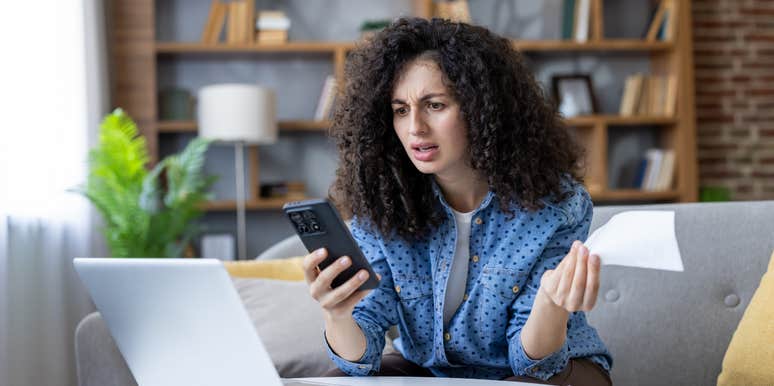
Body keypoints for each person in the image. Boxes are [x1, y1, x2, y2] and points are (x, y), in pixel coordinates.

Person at [301, 17, 613, 385]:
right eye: (401, 109)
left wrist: (550, 303)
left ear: (482, 108)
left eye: (434, 105)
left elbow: (534, 366)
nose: (415, 127)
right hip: (431, 370)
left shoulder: (555, 205)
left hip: (553, 370)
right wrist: (338, 314)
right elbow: (361, 359)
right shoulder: (383, 207)